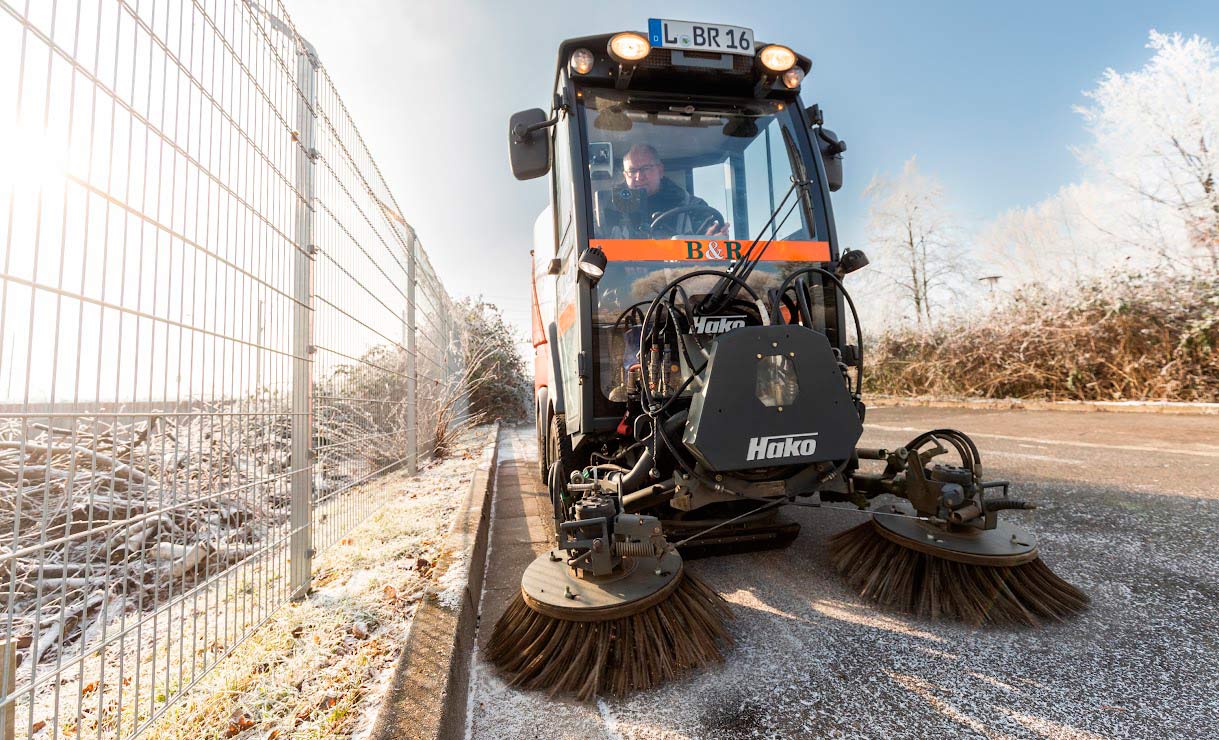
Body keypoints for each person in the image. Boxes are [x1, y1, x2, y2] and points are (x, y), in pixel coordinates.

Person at [609, 144, 729, 238]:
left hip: (684, 270)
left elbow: (712, 242)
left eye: (646, 168)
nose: (639, 176)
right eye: (632, 171)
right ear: (625, 175)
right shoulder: (609, 210)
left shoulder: (694, 207)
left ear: (660, 170)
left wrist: (713, 240)